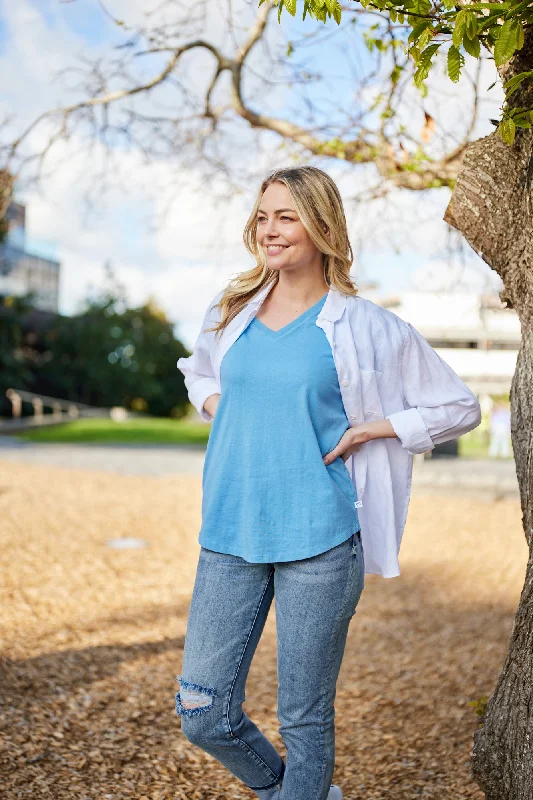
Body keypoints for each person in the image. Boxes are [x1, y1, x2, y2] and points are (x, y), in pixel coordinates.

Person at [176, 166, 482, 800]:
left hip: (322, 539)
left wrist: (375, 429)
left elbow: (459, 407)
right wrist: (220, 408)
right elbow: (197, 372)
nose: (270, 230)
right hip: (229, 534)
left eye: (286, 217)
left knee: (305, 720)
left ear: (321, 225)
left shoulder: (367, 326)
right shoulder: (230, 310)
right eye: (262, 217)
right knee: (202, 711)